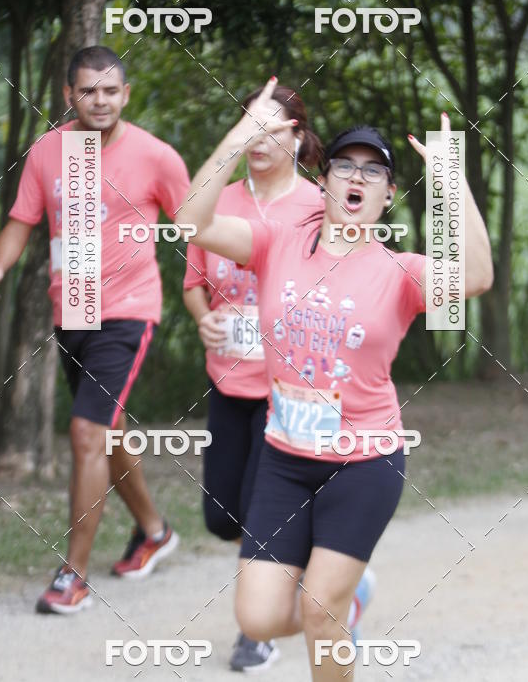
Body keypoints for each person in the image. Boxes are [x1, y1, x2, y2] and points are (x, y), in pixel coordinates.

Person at [176, 77, 493, 680]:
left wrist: (451, 179)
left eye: (373, 172)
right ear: (324, 184)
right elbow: (191, 220)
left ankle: (338, 604)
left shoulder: (400, 272)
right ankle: (353, 596)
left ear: (389, 196)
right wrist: (244, 133)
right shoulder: (275, 245)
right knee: (261, 618)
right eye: (345, 166)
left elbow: (476, 276)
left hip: (363, 461)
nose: (356, 177)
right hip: (284, 459)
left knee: (321, 618)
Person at [0, 46, 190, 614]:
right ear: (69, 95)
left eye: (111, 90)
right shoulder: (50, 151)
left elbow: (196, 227)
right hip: (72, 309)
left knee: (85, 433)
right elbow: (22, 221)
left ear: (126, 94)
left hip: (130, 310)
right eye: (88, 91)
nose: (100, 100)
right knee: (106, 431)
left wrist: (212, 295)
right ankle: (154, 530)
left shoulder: (156, 157)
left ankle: (74, 574)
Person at [183, 83, 325, 671]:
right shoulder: (223, 201)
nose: (256, 142)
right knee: (222, 516)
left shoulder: (319, 206)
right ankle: (317, 571)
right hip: (228, 382)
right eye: (246, 129)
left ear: (296, 136)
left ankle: (258, 629)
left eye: (269, 129)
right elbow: (194, 279)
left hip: (287, 391)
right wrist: (205, 320)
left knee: (258, 511)